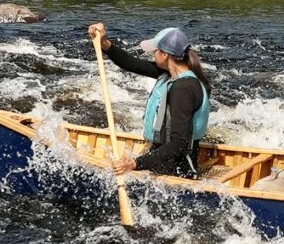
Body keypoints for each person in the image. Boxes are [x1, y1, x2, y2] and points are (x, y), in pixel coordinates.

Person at [87, 22, 213, 178]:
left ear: (165, 54)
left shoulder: (183, 89)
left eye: (155, 50)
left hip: (177, 170)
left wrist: (134, 164)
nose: (153, 54)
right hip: (161, 160)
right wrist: (104, 43)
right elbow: (130, 63)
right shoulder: (169, 72)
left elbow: (179, 144)